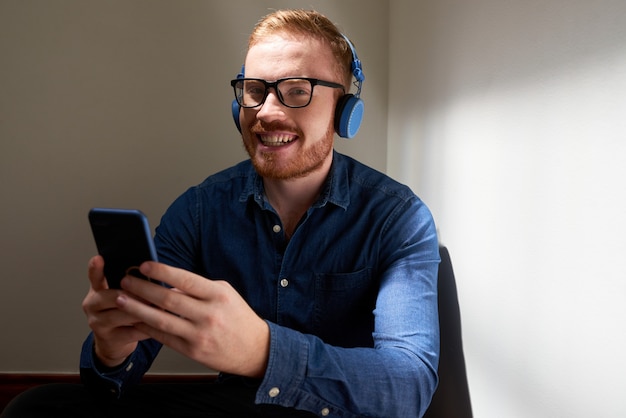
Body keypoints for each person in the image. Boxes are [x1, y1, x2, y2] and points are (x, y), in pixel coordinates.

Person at [2, 9, 440, 418]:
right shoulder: (199, 209)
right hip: (235, 405)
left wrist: (263, 351)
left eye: (296, 91)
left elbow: (408, 386)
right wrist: (112, 351)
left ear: (345, 110)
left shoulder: (397, 218)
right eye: (255, 91)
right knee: (36, 408)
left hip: (338, 411)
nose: (267, 112)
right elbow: (113, 376)